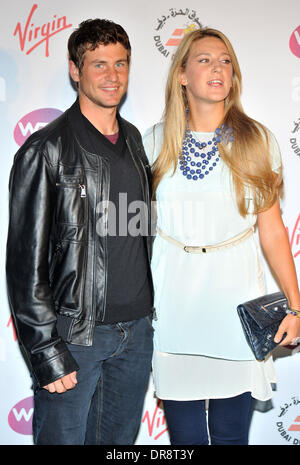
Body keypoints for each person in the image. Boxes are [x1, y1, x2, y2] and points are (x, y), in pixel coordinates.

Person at [143, 27, 300, 445]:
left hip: (234, 310)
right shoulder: (154, 141)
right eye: (205, 59)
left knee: (232, 435)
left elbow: (271, 231)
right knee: (185, 439)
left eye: (225, 60)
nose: (218, 68)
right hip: (174, 310)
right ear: (181, 75)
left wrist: (297, 306)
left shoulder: (257, 140)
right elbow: (134, 230)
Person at [6, 19, 154, 445]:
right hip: (76, 337)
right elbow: (24, 264)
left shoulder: (133, 141)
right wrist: (45, 352)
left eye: (121, 64)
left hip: (136, 335)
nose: (112, 76)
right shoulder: (45, 149)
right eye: (99, 65)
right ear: (75, 70)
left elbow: (138, 232)